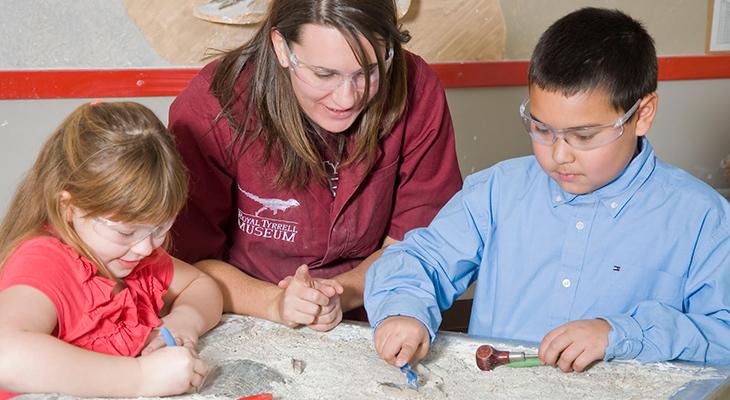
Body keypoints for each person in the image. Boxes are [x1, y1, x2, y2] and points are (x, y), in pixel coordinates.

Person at [365, 7, 730, 373]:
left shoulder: (701, 218)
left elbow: (724, 334)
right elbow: (422, 260)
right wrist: (403, 310)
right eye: (541, 129)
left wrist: (622, 333)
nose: (558, 155)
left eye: (584, 135)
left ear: (643, 114)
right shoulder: (497, 192)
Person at [168, 0, 461, 331]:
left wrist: (340, 292)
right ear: (282, 48)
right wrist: (275, 303)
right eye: (324, 74)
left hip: (378, 304)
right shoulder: (213, 106)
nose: (347, 98)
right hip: (243, 312)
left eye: (369, 72)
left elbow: (419, 243)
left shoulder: (417, 87)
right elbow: (184, 263)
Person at [0, 102, 223, 397]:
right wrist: (140, 378)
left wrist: (184, 322)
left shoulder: (134, 257)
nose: (145, 247)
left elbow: (201, 284)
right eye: (126, 231)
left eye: (159, 228)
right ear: (69, 207)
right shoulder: (44, 261)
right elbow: (6, 356)